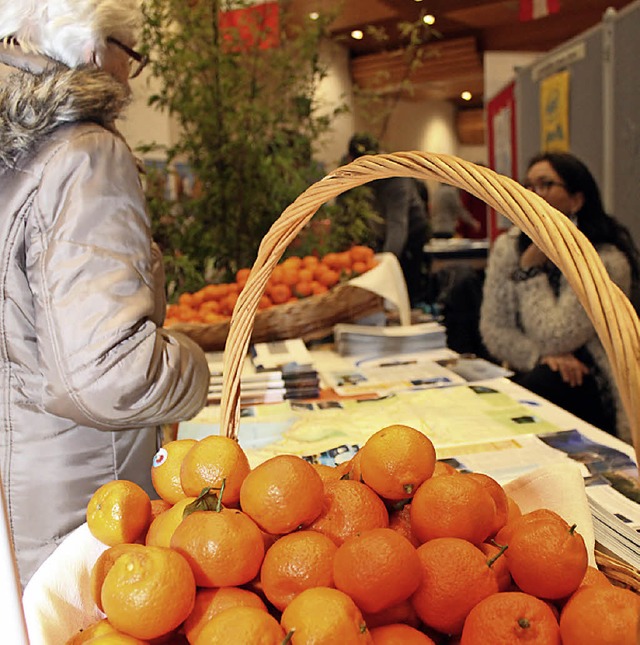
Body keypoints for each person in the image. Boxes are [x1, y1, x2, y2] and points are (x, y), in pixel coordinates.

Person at [0, 0, 210, 586]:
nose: (127, 76)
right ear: (94, 47)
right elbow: (107, 373)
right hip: (79, 495)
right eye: (130, 57)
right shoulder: (81, 150)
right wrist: (194, 366)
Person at [480, 151, 640, 442]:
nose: (533, 194)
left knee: (545, 384)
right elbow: (493, 330)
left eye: (545, 184)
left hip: (590, 378)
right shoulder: (508, 247)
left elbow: (557, 335)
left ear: (576, 200)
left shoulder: (604, 259)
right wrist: (541, 356)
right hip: (532, 367)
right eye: (527, 186)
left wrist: (530, 270)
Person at [346, 133, 429, 306]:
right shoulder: (351, 170)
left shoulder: (395, 178)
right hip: (381, 230)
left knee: (404, 281)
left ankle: (408, 311)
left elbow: (398, 225)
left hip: (412, 232)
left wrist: (386, 263)